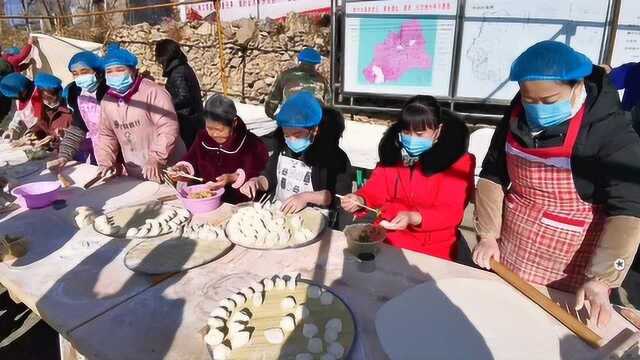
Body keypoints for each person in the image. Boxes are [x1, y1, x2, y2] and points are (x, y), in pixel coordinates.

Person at [473, 41, 640, 327]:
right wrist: (488, 234)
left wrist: (603, 278)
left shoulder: (610, 130)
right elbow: (493, 172)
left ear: (577, 87)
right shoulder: (517, 113)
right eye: (529, 99)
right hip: (515, 246)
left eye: (549, 101)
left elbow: (630, 209)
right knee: (504, 320)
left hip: (572, 261)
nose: (536, 108)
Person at [340, 96, 475, 260]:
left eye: (420, 134)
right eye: (406, 132)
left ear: (437, 131)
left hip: (432, 249)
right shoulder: (394, 154)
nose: (412, 139)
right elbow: (376, 189)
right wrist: (360, 199)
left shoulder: (457, 162)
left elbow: (451, 212)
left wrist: (414, 217)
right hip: (387, 237)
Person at [241, 92, 352, 227]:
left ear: (314, 129)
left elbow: (339, 196)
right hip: (279, 217)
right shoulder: (283, 148)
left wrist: (305, 197)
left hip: (315, 223)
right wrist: (256, 182)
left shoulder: (334, 157)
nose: (291, 140)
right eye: (286, 134)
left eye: (297, 134)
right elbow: (269, 177)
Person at [95, 45, 186, 183]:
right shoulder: (107, 101)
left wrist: (156, 157)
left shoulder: (152, 92)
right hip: (135, 169)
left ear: (132, 71)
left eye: (120, 70)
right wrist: (105, 161)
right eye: (109, 71)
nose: (114, 75)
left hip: (166, 166)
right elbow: (107, 135)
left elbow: (168, 126)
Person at [168, 95, 269, 204]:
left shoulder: (252, 143)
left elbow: (260, 174)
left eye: (219, 130)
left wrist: (232, 177)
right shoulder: (203, 137)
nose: (214, 134)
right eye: (209, 128)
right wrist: (183, 170)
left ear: (234, 123)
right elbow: (192, 158)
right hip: (207, 200)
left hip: (238, 204)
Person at [51, 52, 108, 167]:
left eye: (84, 72)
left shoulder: (109, 92)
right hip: (100, 152)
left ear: (97, 71)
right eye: (75, 74)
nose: (80, 77)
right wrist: (63, 156)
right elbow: (78, 128)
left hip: (124, 153)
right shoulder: (79, 95)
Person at [155, 39, 204, 149]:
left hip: (187, 121)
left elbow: (184, 97)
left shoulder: (178, 72)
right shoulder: (182, 68)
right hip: (193, 119)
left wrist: (165, 104)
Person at [265, 47, 331, 119]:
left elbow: (273, 98)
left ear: (300, 60)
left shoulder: (285, 76)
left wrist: (271, 114)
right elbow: (328, 103)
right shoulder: (322, 80)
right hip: (313, 117)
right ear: (316, 63)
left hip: (290, 116)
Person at [29, 73, 71, 145]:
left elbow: (72, 135)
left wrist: (54, 137)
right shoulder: (46, 109)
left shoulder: (68, 112)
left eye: (50, 98)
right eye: (43, 97)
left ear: (58, 93)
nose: (47, 101)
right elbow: (41, 124)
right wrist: (32, 132)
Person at [0, 72, 40, 140]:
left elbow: (41, 121)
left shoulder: (38, 96)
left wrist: (31, 133)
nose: (14, 99)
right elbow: (19, 114)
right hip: (33, 132)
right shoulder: (20, 100)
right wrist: (13, 129)